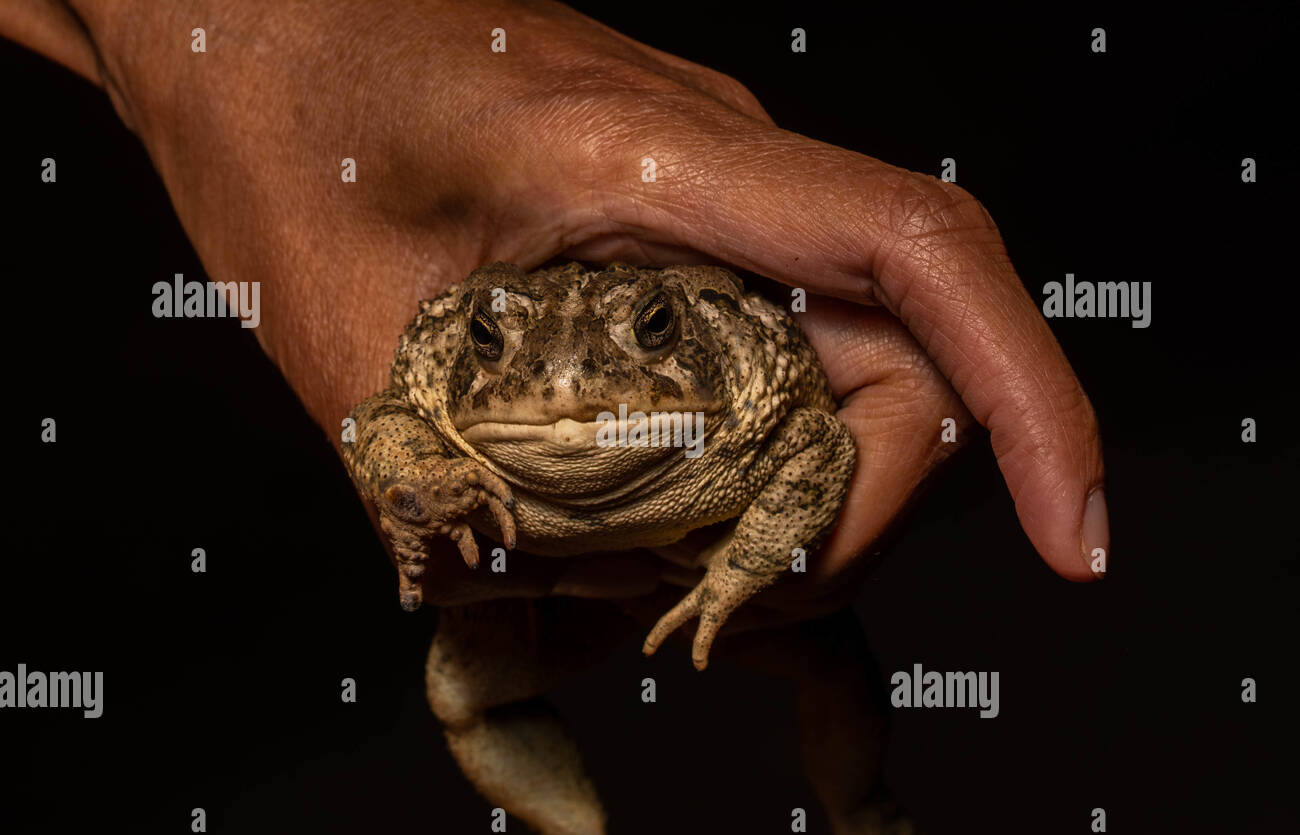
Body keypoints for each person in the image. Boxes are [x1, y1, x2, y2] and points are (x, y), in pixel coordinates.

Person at [3, 0, 1107, 617]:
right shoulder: (451, 392)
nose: (572, 386)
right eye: (498, 342)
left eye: (650, 337)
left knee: (818, 667)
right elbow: (385, 424)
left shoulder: (726, 418)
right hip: (529, 533)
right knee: (477, 689)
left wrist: (738, 567)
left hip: (699, 466)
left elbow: (814, 442)